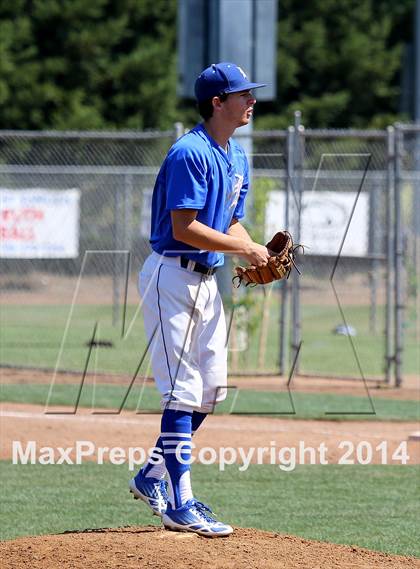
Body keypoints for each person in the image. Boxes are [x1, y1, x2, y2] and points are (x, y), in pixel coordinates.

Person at [129, 62, 270, 537]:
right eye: (243, 94)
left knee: (209, 393)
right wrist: (246, 249)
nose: (251, 100)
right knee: (182, 390)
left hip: (207, 280)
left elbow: (229, 223)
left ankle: (151, 475)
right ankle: (179, 503)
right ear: (217, 102)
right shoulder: (190, 152)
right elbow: (183, 227)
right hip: (172, 276)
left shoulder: (235, 155)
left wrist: (254, 252)